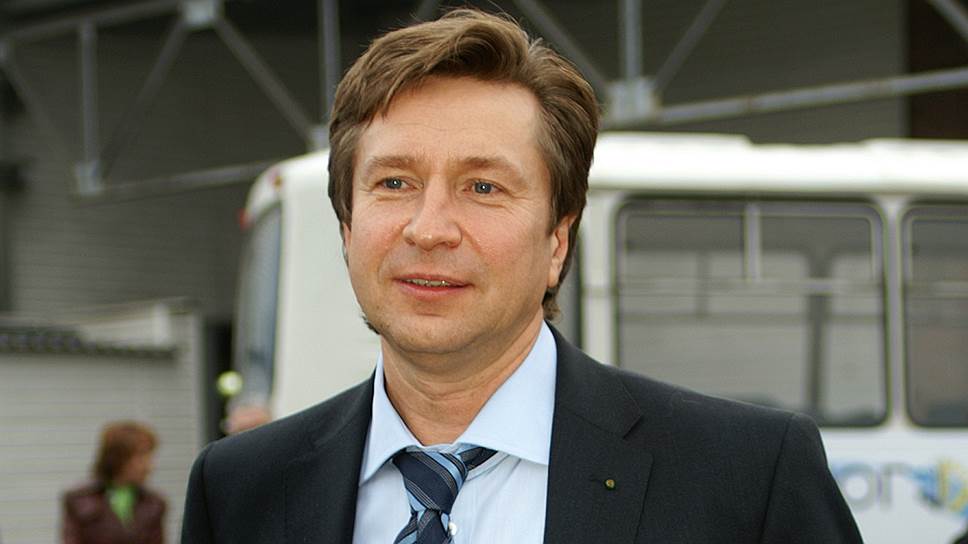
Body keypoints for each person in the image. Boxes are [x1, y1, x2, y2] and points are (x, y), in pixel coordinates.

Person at [181, 8, 862, 543]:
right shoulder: (240, 490)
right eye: (394, 182)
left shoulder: (747, 479)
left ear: (557, 240)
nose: (429, 228)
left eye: (483, 187)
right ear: (347, 227)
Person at [63, 421, 166, 544]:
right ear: (118, 457)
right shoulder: (80, 499)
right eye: (141, 457)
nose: (149, 466)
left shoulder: (153, 503)